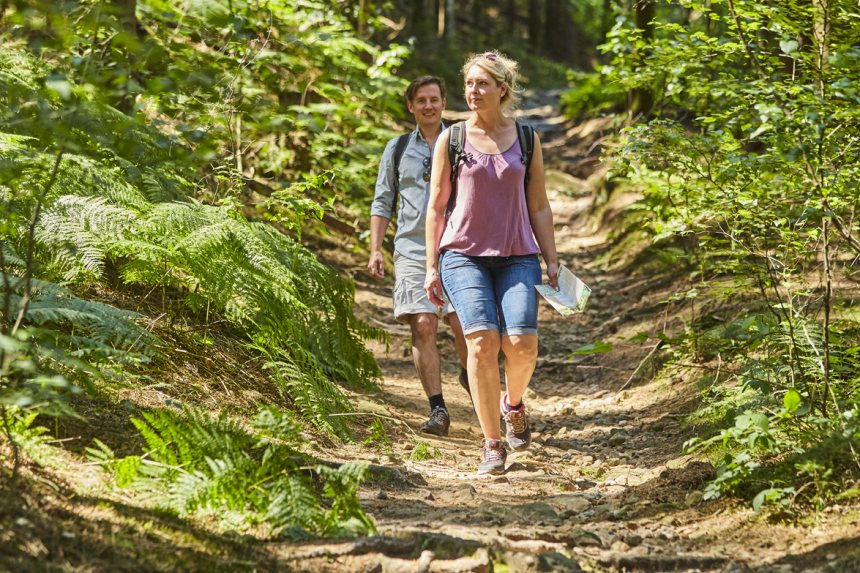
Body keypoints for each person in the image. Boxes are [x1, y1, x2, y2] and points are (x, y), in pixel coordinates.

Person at [424, 51, 559, 474]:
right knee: (482, 343)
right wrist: (431, 266)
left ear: (502, 89)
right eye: (469, 83)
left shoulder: (527, 139)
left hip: (518, 255)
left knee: (522, 344)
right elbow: (436, 207)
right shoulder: (452, 139)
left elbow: (539, 205)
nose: (473, 91)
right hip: (462, 256)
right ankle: (492, 443)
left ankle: (513, 404)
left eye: (482, 84)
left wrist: (552, 260)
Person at [369, 75, 469, 437]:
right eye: (421, 100)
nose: (428, 106)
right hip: (411, 249)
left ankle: (471, 374)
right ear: (411, 106)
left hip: (458, 246)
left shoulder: (462, 142)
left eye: (434, 99)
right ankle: (438, 409)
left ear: (444, 103)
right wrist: (375, 249)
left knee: (463, 325)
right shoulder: (396, 149)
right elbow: (383, 200)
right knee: (423, 324)